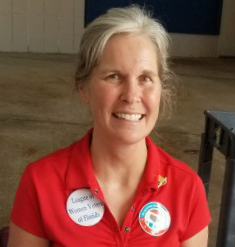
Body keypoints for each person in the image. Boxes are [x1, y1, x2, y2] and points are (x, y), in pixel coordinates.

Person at [8, 5, 211, 247]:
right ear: (84, 87)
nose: (131, 95)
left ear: (161, 90)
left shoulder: (187, 189)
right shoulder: (41, 183)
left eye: (145, 78)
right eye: (114, 76)